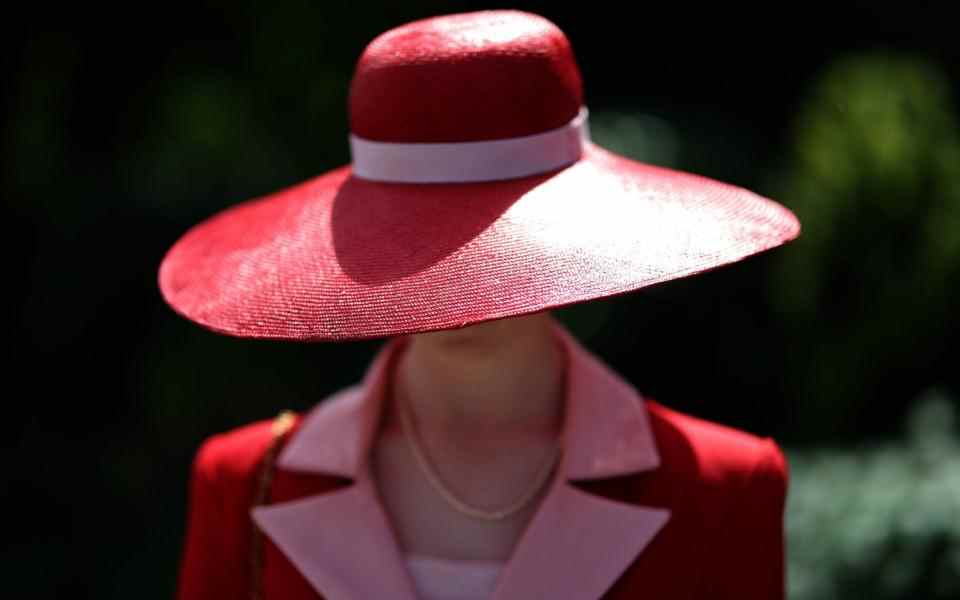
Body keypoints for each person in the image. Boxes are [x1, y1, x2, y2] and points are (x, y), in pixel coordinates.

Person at [160, 9, 799, 600]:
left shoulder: (724, 487)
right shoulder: (244, 482)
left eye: (484, 236)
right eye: (414, 236)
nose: (450, 274)